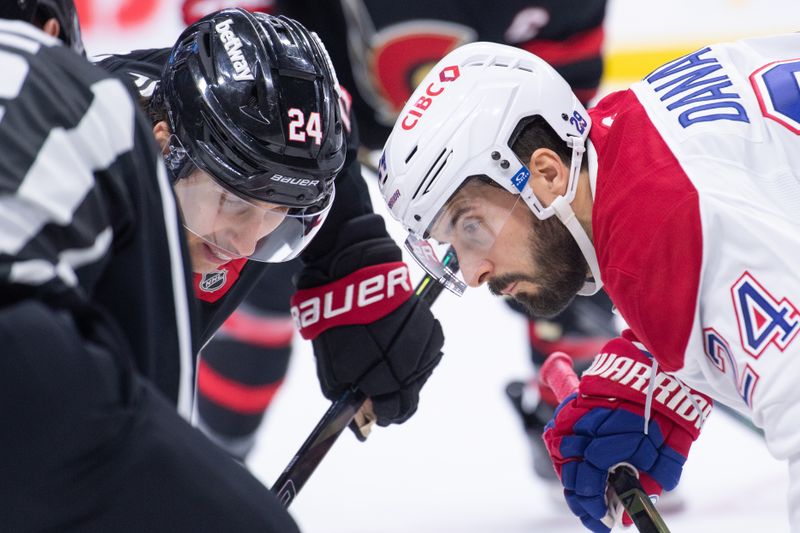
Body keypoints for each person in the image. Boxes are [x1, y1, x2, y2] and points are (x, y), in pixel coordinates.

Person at [377, 35, 800, 531]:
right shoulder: (626, 141)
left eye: (471, 226)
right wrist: (662, 367)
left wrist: (677, 334)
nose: (473, 274)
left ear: (547, 175)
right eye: (450, 245)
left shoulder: (671, 233)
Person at [179, 0, 617, 472]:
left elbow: (560, 119)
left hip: (472, 143)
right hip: (302, 123)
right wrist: (348, 247)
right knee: (249, 259)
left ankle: (586, 431)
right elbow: (228, 58)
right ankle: (217, 457)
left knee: (561, 238)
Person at [0, 2, 297, 531]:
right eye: (236, 201)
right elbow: (155, 386)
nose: (247, 244)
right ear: (49, 31)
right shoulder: (88, 100)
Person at [98, 8, 445, 441]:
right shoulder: (56, 184)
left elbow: (333, 114)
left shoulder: (200, 119)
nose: (246, 243)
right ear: (161, 146)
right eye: (235, 201)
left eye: (281, 210)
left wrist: (351, 256)